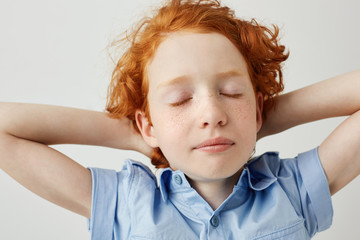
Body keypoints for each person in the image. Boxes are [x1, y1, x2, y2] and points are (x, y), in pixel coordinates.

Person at [0, 0, 359, 239]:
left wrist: (259, 119)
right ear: (147, 124)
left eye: (232, 93)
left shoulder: (292, 192)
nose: (213, 114)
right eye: (180, 99)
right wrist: (138, 135)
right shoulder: (127, 205)